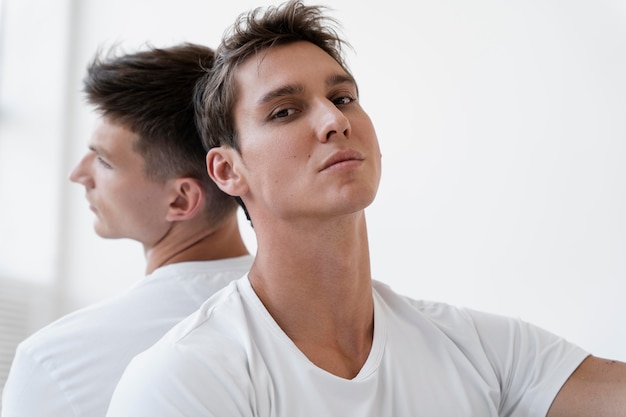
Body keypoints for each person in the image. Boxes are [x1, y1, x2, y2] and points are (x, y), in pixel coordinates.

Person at [105, 2, 626, 416]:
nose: (333, 120)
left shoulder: (479, 350)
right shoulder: (185, 376)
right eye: (285, 111)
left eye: (344, 97)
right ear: (226, 171)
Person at [1, 43, 253, 417]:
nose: (79, 174)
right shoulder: (309, 323)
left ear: (181, 200)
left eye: (104, 160)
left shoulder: (57, 360)